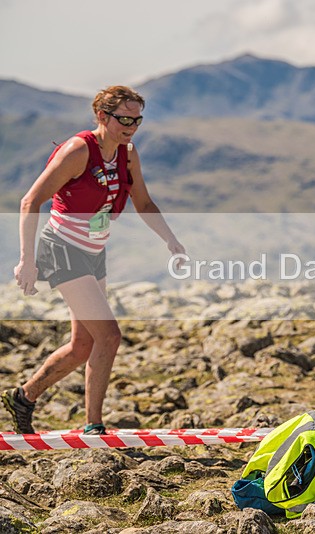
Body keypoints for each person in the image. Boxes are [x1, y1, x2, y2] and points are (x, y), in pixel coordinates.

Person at [3, 85, 185, 436]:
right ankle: (93, 425)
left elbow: (144, 203)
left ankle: (23, 397)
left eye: (137, 119)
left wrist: (170, 239)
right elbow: (30, 201)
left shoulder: (128, 154)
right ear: (102, 116)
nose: (131, 126)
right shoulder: (77, 150)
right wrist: (27, 261)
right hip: (62, 249)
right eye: (124, 119)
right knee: (109, 335)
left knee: (82, 346)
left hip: (93, 252)